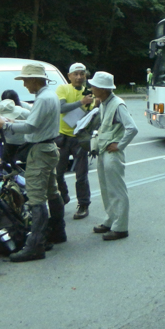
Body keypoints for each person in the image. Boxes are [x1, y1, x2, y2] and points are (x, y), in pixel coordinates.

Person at [0, 63, 65, 262]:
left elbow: (32, 126)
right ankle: (58, 231)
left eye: (25, 80)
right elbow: (35, 123)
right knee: (52, 191)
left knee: (36, 198)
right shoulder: (49, 96)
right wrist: (12, 123)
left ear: (34, 79)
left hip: (40, 151)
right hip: (48, 147)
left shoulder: (42, 99)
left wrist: (5, 124)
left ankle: (35, 245)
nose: (24, 85)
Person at [88, 71, 138, 241]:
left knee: (117, 189)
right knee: (106, 187)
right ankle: (110, 220)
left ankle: (120, 226)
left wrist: (120, 145)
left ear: (103, 89)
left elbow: (132, 128)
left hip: (112, 151)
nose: (91, 88)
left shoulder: (118, 104)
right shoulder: (103, 102)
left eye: (94, 86)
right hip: (104, 149)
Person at [55, 63, 95, 219]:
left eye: (82, 74)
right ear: (69, 76)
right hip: (62, 137)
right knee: (58, 173)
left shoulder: (90, 92)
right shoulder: (63, 89)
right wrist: (81, 102)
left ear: (85, 76)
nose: (79, 77)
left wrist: (92, 105)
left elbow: (92, 114)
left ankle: (83, 204)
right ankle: (63, 197)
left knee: (81, 174)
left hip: (79, 138)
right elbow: (61, 108)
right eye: (76, 74)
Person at [0, 90, 31, 167]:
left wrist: (13, 122)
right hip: (9, 144)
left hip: (27, 144)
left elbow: (35, 124)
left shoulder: (27, 111)